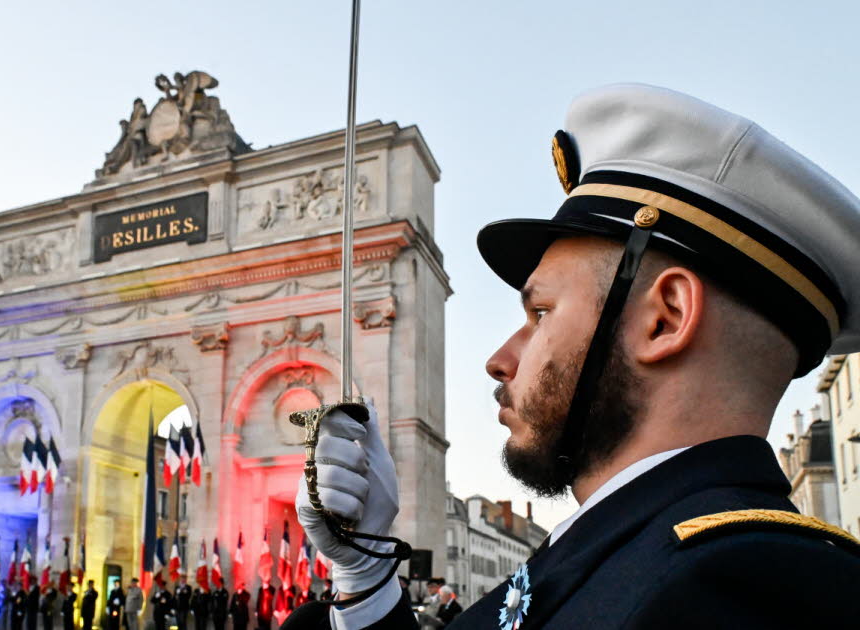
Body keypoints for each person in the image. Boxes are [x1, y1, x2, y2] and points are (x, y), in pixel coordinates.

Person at [284, 83, 860, 629]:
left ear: (665, 319)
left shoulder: (737, 587)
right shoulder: (643, 552)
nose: (499, 359)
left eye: (541, 314)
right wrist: (364, 573)